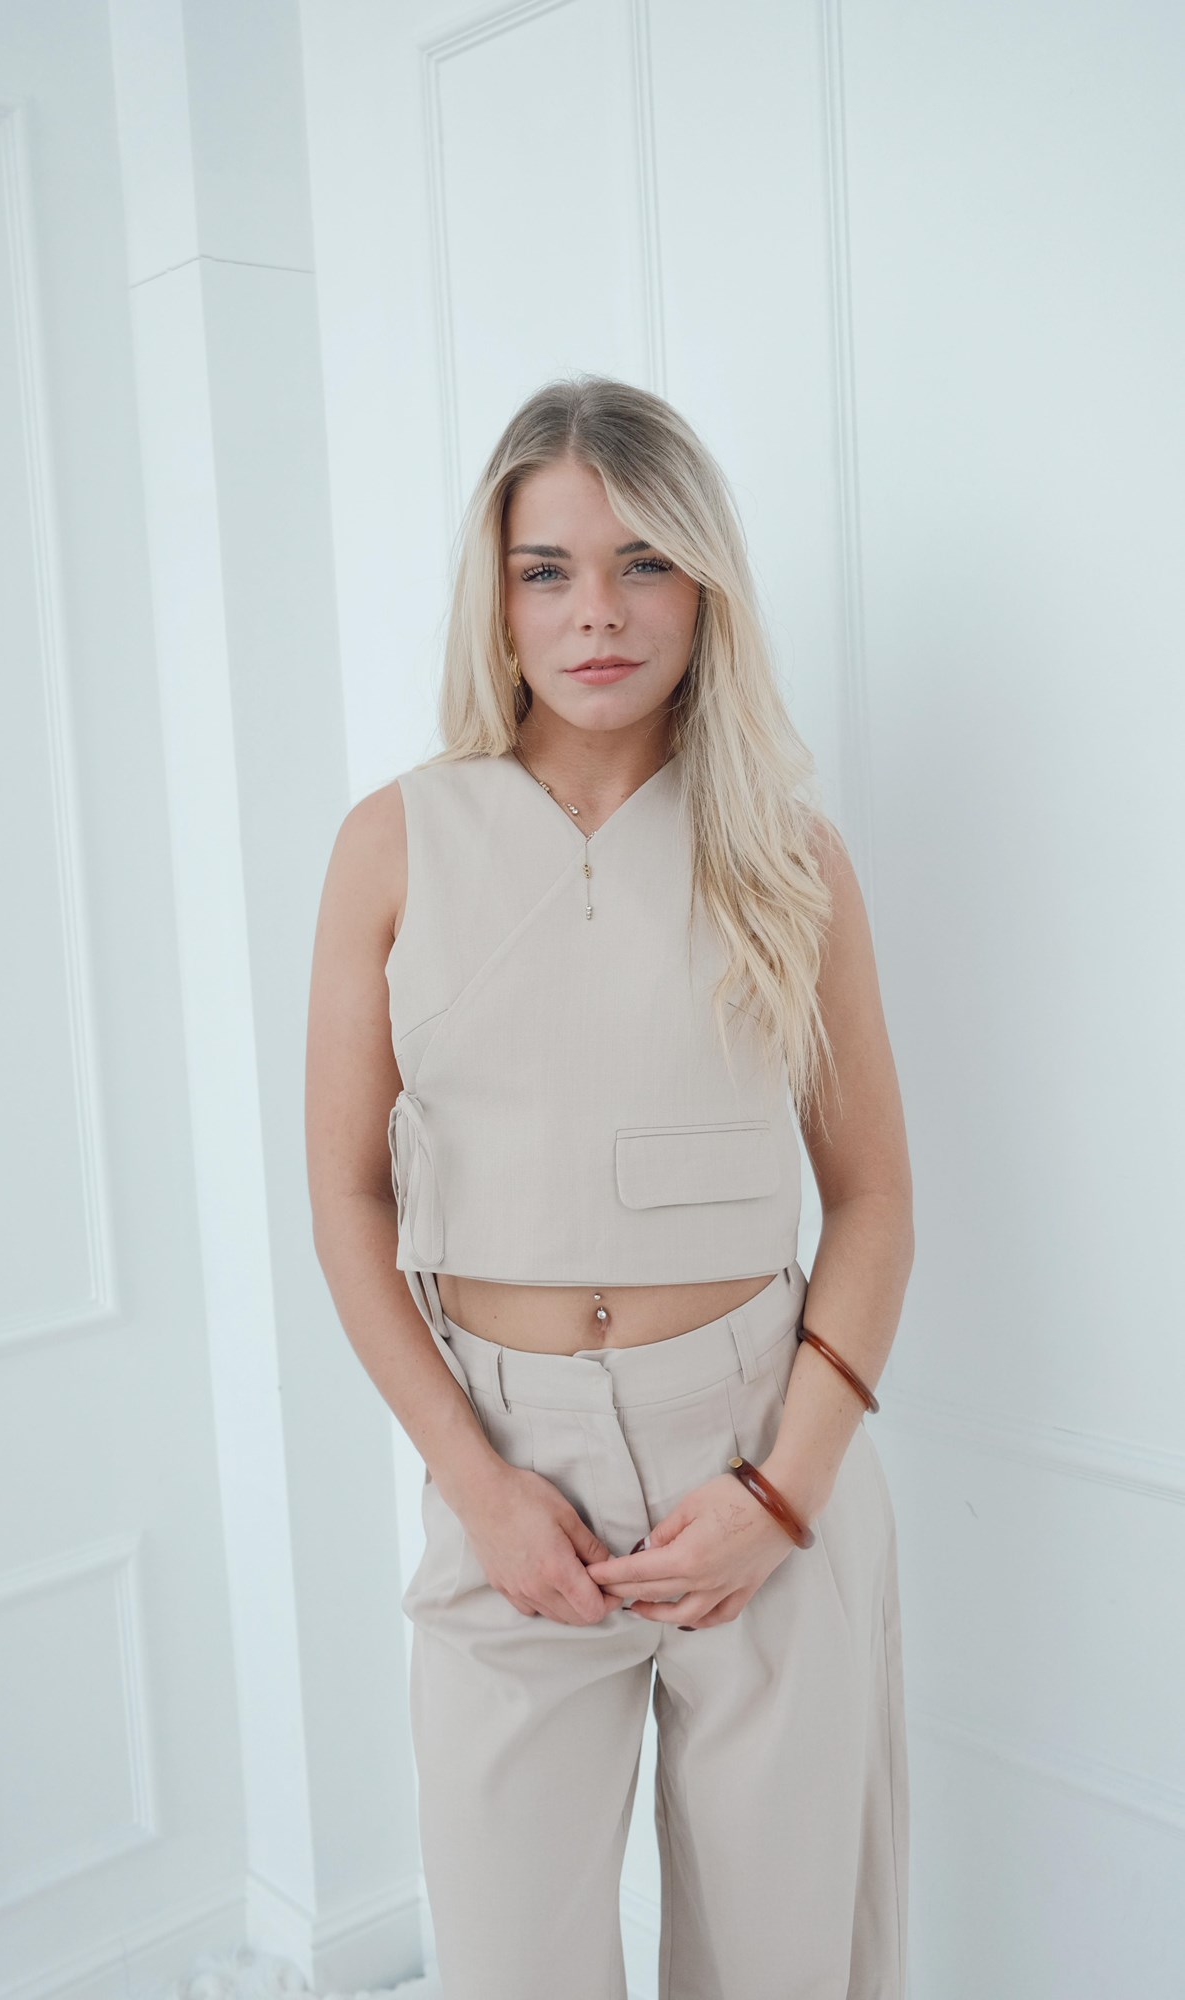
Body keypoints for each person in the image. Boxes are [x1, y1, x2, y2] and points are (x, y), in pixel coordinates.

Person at [305, 375, 912, 1999]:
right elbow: (348, 1199)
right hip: (505, 1466)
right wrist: (479, 1486)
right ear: (495, 597)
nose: (597, 612)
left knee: (785, 1963)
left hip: (759, 1445)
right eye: (547, 568)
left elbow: (870, 1201)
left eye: (645, 562)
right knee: (512, 1962)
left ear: (703, 589)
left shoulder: (786, 855)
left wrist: (782, 1492)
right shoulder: (392, 841)